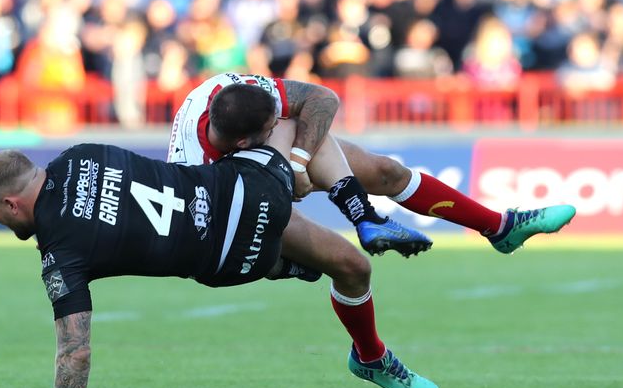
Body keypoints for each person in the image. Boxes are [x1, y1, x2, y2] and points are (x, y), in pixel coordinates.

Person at [0, 86, 440, 388]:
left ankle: (292, 264)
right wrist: (294, 166)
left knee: (343, 264)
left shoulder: (60, 255)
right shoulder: (81, 153)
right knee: (293, 126)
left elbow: (76, 352)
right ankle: (358, 213)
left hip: (230, 265)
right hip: (250, 192)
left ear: (13, 205)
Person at [167, 73, 577, 256]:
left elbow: (321, 99)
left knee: (386, 172)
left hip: (244, 153)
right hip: (233, 199)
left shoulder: (225, 89)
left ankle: (500, 227)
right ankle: (370, 354)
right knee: (346, 263)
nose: (280, 125)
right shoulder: (193, 172)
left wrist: (295, 163)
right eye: (273, 127)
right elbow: (207, 242)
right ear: (246, 142)